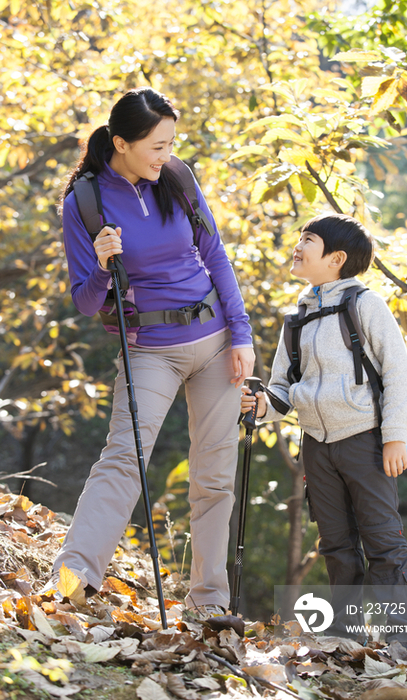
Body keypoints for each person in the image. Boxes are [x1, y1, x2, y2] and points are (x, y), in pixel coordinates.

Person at [46, 87, 255, 618]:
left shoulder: (178, 178)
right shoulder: (85, 203)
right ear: (120, 143)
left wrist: (242, 334)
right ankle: (70, 582)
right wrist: (99, 264)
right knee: (123, 460)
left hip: (214, 344)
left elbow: (216, 256)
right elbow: (85, 301)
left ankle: (208, 603)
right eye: (156, 146)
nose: (166, 155)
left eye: (170, 144)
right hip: (148, 351)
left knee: (214, 477)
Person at [241, 213, 407, 651]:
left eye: (309, 239)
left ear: (337, 258)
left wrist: (395, 436)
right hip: (317, 447)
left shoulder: (365, 305)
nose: (298, 245)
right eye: (300, 237)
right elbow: (285, 387)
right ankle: (347, 642)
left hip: (366, 440)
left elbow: (399, 373)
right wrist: (264, 405)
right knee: (336, 546)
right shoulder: (297, 317)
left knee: (384, 543)